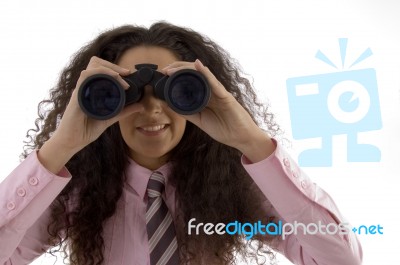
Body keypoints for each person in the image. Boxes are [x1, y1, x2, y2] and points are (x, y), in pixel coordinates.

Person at [0, 22, 362, 265]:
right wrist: (61, 146)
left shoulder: (232, 187)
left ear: (201, 96)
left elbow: (339, 258)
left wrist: (250, 140)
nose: (153, 107)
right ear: (102, 100)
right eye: (130, 94)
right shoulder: (77, 191)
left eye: (175, 91)